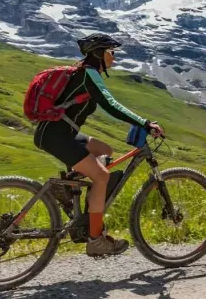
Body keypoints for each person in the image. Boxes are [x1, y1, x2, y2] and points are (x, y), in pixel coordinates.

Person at [33, 33, 164, 256]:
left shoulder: (84, 72)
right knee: (102, 176)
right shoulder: (89, 75)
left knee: (104, 151)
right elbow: (111, 105)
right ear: (99, 53)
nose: (114, 57)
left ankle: (70, 190)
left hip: (59, 133)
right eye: (111, 52)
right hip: (57, 137)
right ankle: (96, 240)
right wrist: (144, 123)